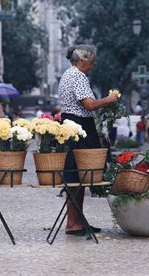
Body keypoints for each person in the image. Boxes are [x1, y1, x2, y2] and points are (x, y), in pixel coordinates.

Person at [58, 44, 119, 236]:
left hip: (73, 125)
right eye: (91, 62)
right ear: (82, 61)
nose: (93, 66)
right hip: (79, 127)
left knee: (77, 176)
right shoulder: (77, 76)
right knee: (78, 176)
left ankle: (77, 222)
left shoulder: (68, 74)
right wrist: (109, 100)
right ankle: (73, 223)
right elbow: (90, 104)